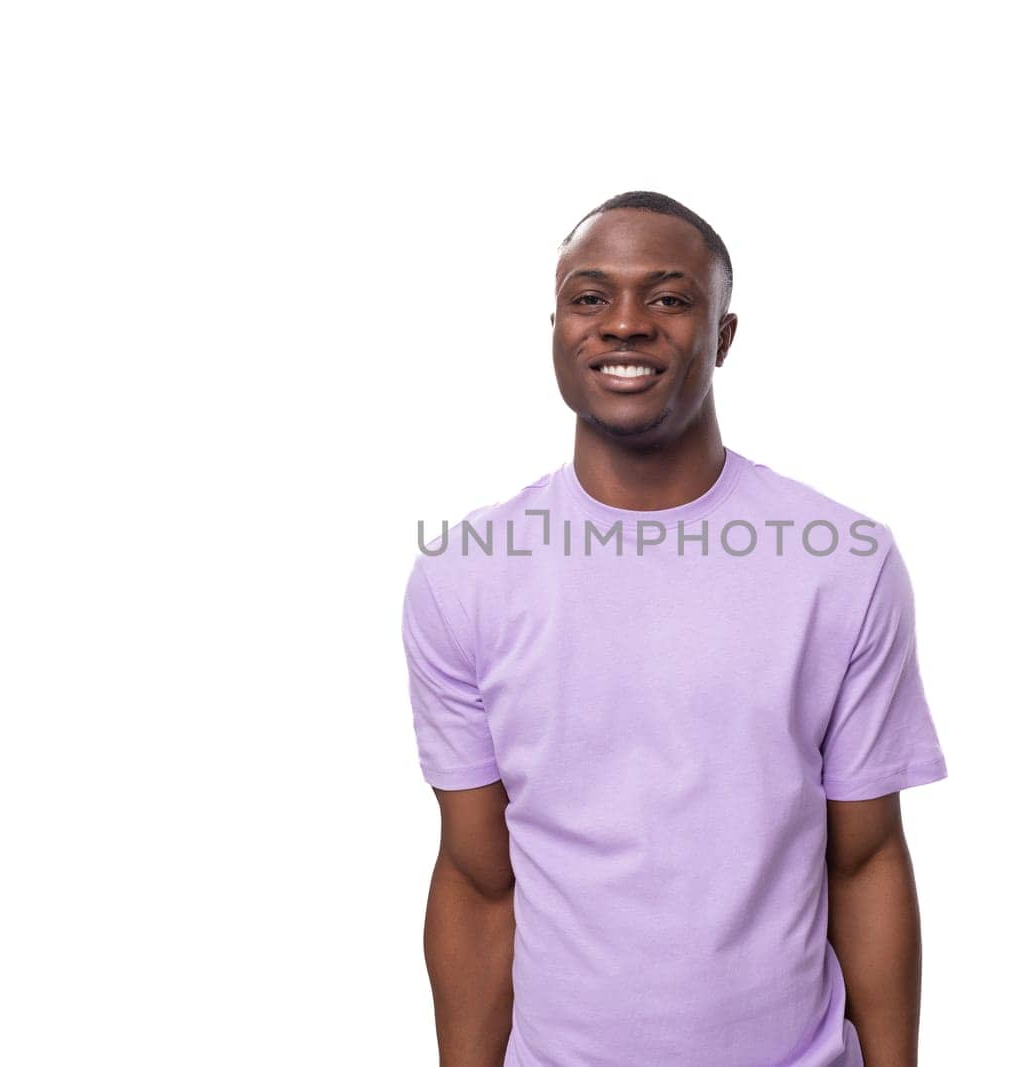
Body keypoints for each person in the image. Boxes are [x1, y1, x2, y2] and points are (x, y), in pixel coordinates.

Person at [400, 190, 949, 1066]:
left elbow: (866, 859)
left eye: (669, 298)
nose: (625, 323)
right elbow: (476, 879)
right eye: (590, 297)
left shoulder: (842, 562)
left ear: (724, 335)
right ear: (556, 329)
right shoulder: (467, 575)